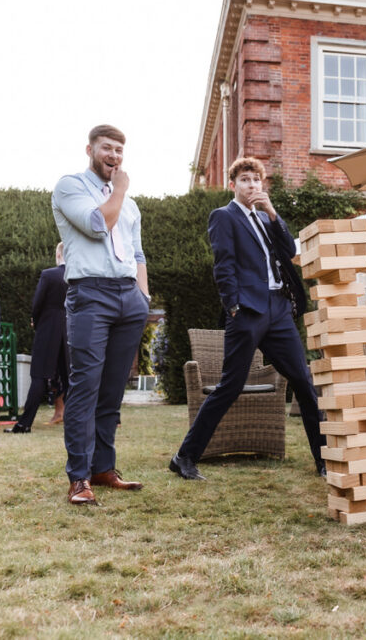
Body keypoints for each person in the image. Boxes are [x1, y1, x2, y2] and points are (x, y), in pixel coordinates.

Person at [170, 157, 326, 481]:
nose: (252, 185)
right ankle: (184, 457)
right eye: (244, 180)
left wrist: (273, 212)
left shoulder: (266, 219)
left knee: (304, 382)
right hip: (248, 311)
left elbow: (291, 250)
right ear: (233, 185)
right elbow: (223, 265)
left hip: (279, 310)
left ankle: (324, 459)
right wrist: (233, 307)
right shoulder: (224, 217)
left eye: (256, 180)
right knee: (230, 386)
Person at [52, 124, 150, 505]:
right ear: (90, 149)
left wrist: (142, 296)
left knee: (111, 391)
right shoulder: (69, 186)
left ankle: (103, 468)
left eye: (119, 151)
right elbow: (97, 225)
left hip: (129, 297)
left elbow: (138, 253)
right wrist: (121, 188)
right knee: (85, 387)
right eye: (107, 148)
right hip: (90, 294)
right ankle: (79, 478)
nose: (114, 156)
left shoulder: (131, 205)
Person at [6, 243, 69, 434]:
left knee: (39, 375)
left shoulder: (49, 274)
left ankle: (25, 424)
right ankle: (79, 422)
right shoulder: (82, 276)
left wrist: (37, 321)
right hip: (71, 329)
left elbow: (38, 303)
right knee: (71, 377)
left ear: (58, 254)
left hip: (49, 328)